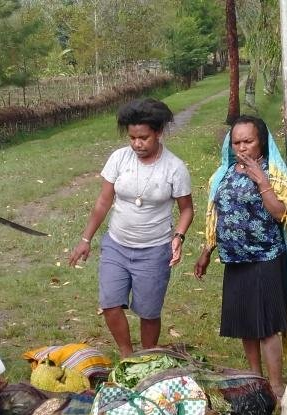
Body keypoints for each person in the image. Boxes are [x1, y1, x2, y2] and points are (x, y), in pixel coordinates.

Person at [68, 99, 193, 357]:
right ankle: (127, 356)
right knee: (110, 303)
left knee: (148, 312)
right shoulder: (119, 159)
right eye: (132, 138)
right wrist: (85, 238)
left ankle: (146, 356)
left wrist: (179, 236)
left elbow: (187, 210)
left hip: (154, 250)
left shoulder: (175, 167)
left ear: (158, 133)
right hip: (116, 245)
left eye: (144, 138)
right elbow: (103, 201)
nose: (137, 144)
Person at [194, 116, 287, 400]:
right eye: (236, 142)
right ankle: (255, 378)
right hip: (235, 260)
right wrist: (207, 250)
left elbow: (280, 213)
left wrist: (261, 180)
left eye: (248, 141)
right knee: (244, 324)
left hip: (265, 257)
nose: (242, 148)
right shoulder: (224, 174)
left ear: (261, 141)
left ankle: (276, 385)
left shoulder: (273, 173)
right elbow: (216, 215)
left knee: (266, 326)